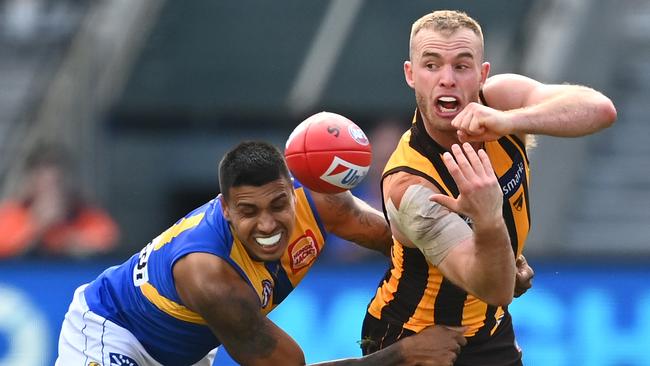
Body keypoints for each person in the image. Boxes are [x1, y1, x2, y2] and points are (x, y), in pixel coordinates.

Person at [55, 140, 470, 366]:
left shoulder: (322, 202)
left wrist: (482, 259)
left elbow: (404, 245)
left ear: (295, 193)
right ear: (225, 211)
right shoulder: (210, 275)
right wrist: (405, 354)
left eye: (277, 205)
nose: (268, 225)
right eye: (248, 212)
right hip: (114, 333)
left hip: (183, 349)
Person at [361, 10, 616, 366]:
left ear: (482, 74)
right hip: (415, 338)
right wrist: (489, 217)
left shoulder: (500, 101)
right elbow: (494, 288)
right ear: (411, 75)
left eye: (462, 66)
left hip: (488, 326)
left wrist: (508, 120)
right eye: (431, 65)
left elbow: (600, 110)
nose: (446, 79)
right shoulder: (410, 183)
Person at [0, 143, 119, 258]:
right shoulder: (12, 214)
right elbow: (5, 249)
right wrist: (38, 226)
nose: (52, 192)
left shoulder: (88, 216)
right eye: (44, 184)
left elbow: (107, 243)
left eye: (57, 183)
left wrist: (66, 238)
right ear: (30, 183)